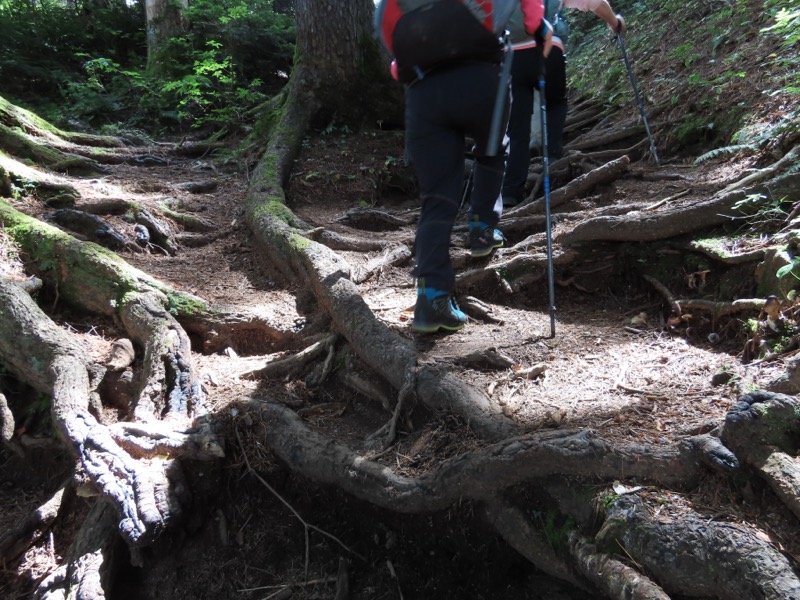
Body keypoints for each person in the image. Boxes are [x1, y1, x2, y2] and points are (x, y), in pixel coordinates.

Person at [376, 0, 551, 334]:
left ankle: (432, 300)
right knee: (492, 151)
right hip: (482, 81)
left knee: (438, 196)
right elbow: (531, 15)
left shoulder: (389, 5)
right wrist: (540, 27)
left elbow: (397, 66)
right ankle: (482, 228)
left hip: (424, 95)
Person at [502, 0, 624, 207]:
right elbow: (595, 3)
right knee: (555, 103)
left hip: (513, 55)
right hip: (550, 49)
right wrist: (615, 22)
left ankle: (511, 191)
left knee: (518, 125)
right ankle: (553, 160)